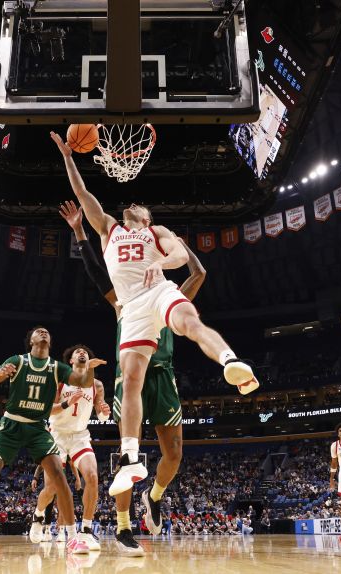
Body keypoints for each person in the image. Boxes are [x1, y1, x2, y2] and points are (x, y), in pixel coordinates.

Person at [51, 132, 259, 499]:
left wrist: (160, 262)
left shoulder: (155, 232)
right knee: (130, 378)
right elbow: (83, 194)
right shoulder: (109, 228)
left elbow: (181, 258)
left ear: (146, 218)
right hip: (130, 307)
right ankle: (130, 457)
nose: (132, 205)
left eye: (139, 207)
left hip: (158, 291)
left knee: (190, 323)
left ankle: (231, 362)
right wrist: (68, 157)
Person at [58, 199, 206, 555]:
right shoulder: (123, 299)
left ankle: (153, 495)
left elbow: (198, 274)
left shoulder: (169, 294)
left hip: (163, 374)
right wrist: (80, 232)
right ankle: (124, 528)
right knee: (130, 457)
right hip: (131, 377)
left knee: (174, 454)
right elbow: (96, 273)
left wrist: (177, 245)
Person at [0, 326, 104, 556]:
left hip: (37, 428)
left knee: (60, 480)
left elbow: (82, 381)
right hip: (11, 424)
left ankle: (73, 537)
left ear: (50, 343)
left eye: (47, 332)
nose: (43, 333)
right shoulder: (18, 360)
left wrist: (89, 369)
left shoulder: (55, 367)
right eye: (38, 332)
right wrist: (1, 373)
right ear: (30, 341)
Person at [28, 344, 110, 550]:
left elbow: (101, 415)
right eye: (77, 352)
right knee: (52, 487)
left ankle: (86, 531)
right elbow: (48, 411)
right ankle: (38, 515)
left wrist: (104, 411)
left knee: (92, 476)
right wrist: (67, 403)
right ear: (71, 361)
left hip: (80, 436)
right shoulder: (60, 381)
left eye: (85, 351)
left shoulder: (97, 385)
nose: (82, 352)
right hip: (57, 435)